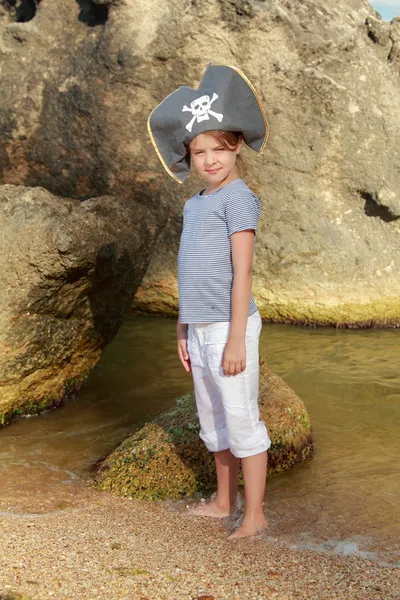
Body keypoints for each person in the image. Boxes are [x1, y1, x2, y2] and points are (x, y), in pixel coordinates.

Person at [147, 64, 272, 539]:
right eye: (199, 152)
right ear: (189, 157)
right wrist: (182, 326)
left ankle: (255, 515)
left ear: (236, 146)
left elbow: (243, 271)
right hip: (199, 326)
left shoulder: (239, 198)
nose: (210, 159)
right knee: (214, 419)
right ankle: (224, 502)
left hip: (229, 325)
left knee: (241, 419)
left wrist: (237, 338)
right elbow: (190, 268)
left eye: (218, 148)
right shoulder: (194, 203)